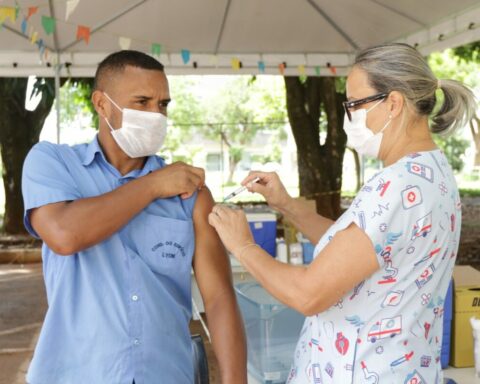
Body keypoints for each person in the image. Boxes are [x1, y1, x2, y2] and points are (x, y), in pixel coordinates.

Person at [208, 43, 476, 383]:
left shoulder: (396, 186)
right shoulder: (432, 172)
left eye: (354, 104)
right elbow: (356, 250)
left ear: (393, 103)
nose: (349, 116)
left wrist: (243, 246)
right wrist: (287, 205)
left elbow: (308, 295)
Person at [21, 50, 247, 384]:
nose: (156, 114)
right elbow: (65, 234)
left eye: (163, 104)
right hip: (73, 374)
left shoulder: (189, 193)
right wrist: (154, 185)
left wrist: (234, 380)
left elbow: (218, 297)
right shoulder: (53, 164)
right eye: (142, 102)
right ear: (101, 104)